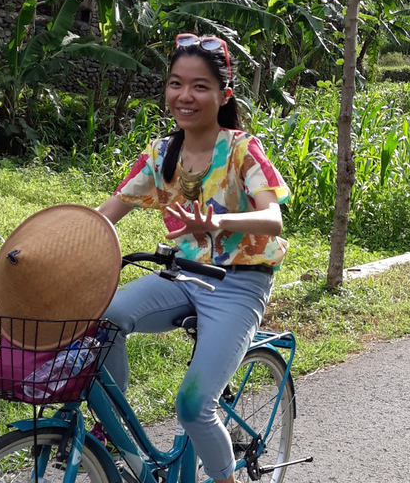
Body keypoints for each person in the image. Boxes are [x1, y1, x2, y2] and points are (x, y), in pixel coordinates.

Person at [96, 33, 289, 483]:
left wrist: (222, 224)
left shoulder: (242, 148)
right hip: (182, 276)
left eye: (200, 86)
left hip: (240, 283)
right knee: (102, 319)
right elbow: (106, 215)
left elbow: (273, 217)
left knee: (193, 405)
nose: (185, 96)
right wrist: (55, 246)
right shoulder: (161, 154)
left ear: (224, 95)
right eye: (176, 84)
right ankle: (119, 444)